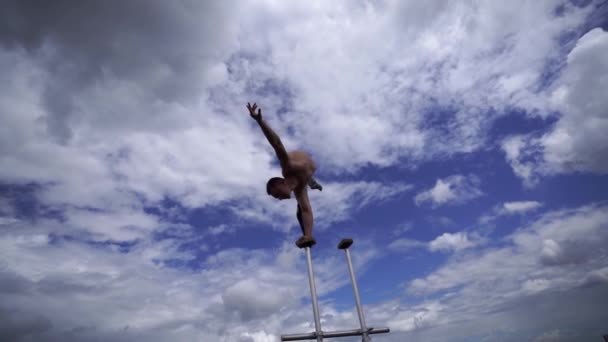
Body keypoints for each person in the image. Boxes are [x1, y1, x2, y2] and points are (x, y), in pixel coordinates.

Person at [247, 102, 323, 248]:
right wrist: (308, 236)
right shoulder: (299, 191)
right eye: (277, 198)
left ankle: (312, 182)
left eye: (277, 195)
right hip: (305, 176)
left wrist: (260, 121)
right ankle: (311, 183)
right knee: (302, 206)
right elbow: (307, 210)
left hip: (302, 166)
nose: (280, 199)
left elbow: (277, 144)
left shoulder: (287, 167)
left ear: (281, 183)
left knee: (306, 183)